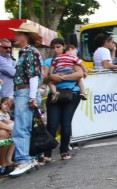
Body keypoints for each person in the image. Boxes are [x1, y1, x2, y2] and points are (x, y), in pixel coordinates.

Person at [8, 23, 44, 177]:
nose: (15, 37)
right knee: (26, 127)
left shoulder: (30, 52)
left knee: (21, 128)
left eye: (18, 34)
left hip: (25, 92)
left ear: (26, 37)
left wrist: (31, 97)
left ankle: (24, 160)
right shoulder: (27, 52)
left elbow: (34, 76)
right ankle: (30, 158)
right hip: (24, 92)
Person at [42, 38, 85, 162]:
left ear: (63, 47)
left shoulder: (70, 58)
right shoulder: (49, 61)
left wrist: (62, 77)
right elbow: (45, 79)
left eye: (58, 47)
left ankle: (64, 150)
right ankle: (47, 154)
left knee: (66, 122)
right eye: (53, 47)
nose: (56, 50)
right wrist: (51, 76)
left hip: (72, 94)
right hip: (55, 94)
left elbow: (80, 74)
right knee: (52, 124)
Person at [0, 96, 14, 174]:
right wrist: (10, 129)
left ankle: (7, 161)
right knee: (3, 134)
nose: (7, 106)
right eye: (5, 104)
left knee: (11, 136)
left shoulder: (8, 114)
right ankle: (3, 163)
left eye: (9, 105)